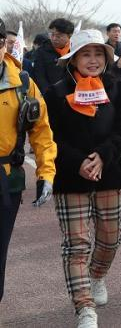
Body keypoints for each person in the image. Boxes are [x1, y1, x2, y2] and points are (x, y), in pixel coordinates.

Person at [43, 28, 121, 327]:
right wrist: (78, 162)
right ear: (73, 59)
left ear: (107, 58)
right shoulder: (55, 93)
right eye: (86, 54)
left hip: (110, 174)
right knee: (76, 245)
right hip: (70, 178)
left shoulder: (119, 89)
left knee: (110, 239)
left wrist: (103, 156)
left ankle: (97, 276)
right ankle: (85, 308)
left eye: (99, 54)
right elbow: (49, 136)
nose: (93, 60)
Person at [0, 17, 57, 304]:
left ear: (4, 45)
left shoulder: (22, 83)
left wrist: (46, 173)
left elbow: (42, 132)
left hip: (7, 179)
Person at [32, 18, 75, 94]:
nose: (54, 38)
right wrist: (49, 94)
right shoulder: (42, 51)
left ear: (69, 36)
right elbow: (40, 76)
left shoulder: (74, 51)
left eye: (59, 36)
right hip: (50, 94)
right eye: (52, 34)